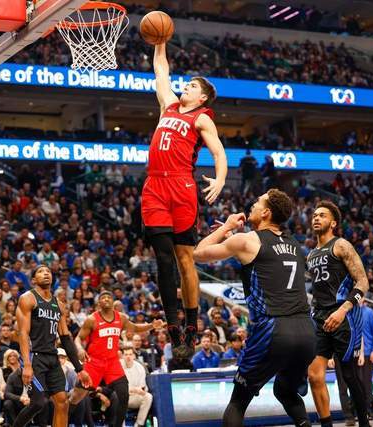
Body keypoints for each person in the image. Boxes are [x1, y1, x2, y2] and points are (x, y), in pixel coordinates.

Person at [193, 188, 315, 427]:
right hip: (306, 331)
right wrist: (235, 237)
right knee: (285, 391)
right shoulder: (294, 244)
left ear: (267, 213)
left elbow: (198, 253)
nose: (253, 205)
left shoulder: (247, 240)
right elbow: (270, 260)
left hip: (274, 329)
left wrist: (226, 228)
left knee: (238, 402)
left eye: (258, 202)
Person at [144, 40, 227, 351]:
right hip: (155, 186)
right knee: (163, 258)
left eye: (192, 85)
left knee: (184, 259)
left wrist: (220, 179)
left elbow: (218, 152)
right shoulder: (168, 105)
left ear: (202, 97)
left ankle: (192, 324)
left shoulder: (202, 117)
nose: (186, 86)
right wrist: (160, 44)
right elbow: (161, 70)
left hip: (182, 187)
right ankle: (173, 326)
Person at [306, 200, 371, 427]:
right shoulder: (311, 254)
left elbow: (363, 282)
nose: (316, 218)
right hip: (320, 317)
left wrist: (343, 310)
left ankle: (364, 423)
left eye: (322, 215)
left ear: (333, 223)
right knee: (314, 375)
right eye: (314, 215)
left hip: (345, 317)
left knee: (349, 375)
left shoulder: (341, 245)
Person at [71, 290, 164, 427]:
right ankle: (62, 420)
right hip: (94, 362)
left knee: (123, 395)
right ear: (99, 303)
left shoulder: (121, 318)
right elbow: (78, 338)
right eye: (103, 297)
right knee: (76, 397)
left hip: (112, 362)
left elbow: (134, 327)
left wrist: (151, 326)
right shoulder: (92, 319)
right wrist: (79, 349)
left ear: (113, 301)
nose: (106, 299)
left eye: (109, 297)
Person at [16, 265, 90, 427]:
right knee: (39, 402)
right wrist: (26, 364)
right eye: (41, 272)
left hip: (52, 357)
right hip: (34, 356)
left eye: (48, 271)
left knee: (63, 402)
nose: (46, 274)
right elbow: (23, 333)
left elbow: (65, 337)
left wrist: (79, 369)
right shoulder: (28, 298)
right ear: (33, 280)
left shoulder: (59, 304)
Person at [358, 301, 373, 418]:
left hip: (368, 353)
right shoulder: (349, 312)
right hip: (354, 354)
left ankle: (367, 410)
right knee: (357, 383)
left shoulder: (369, 312)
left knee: (366, 382)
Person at [121, 347, 153, 427]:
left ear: (134, 356)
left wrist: (136, 390)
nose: (128, 357)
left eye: (130, 354)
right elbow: (118, 388)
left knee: (148, 397)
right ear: (122, 356)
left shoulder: (139, 367)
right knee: (117, 396)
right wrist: (134, 389)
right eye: (126, 354)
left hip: (134, 397)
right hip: (121, 397)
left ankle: (139, 424)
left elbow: (142, 388)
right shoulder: (118, 366)